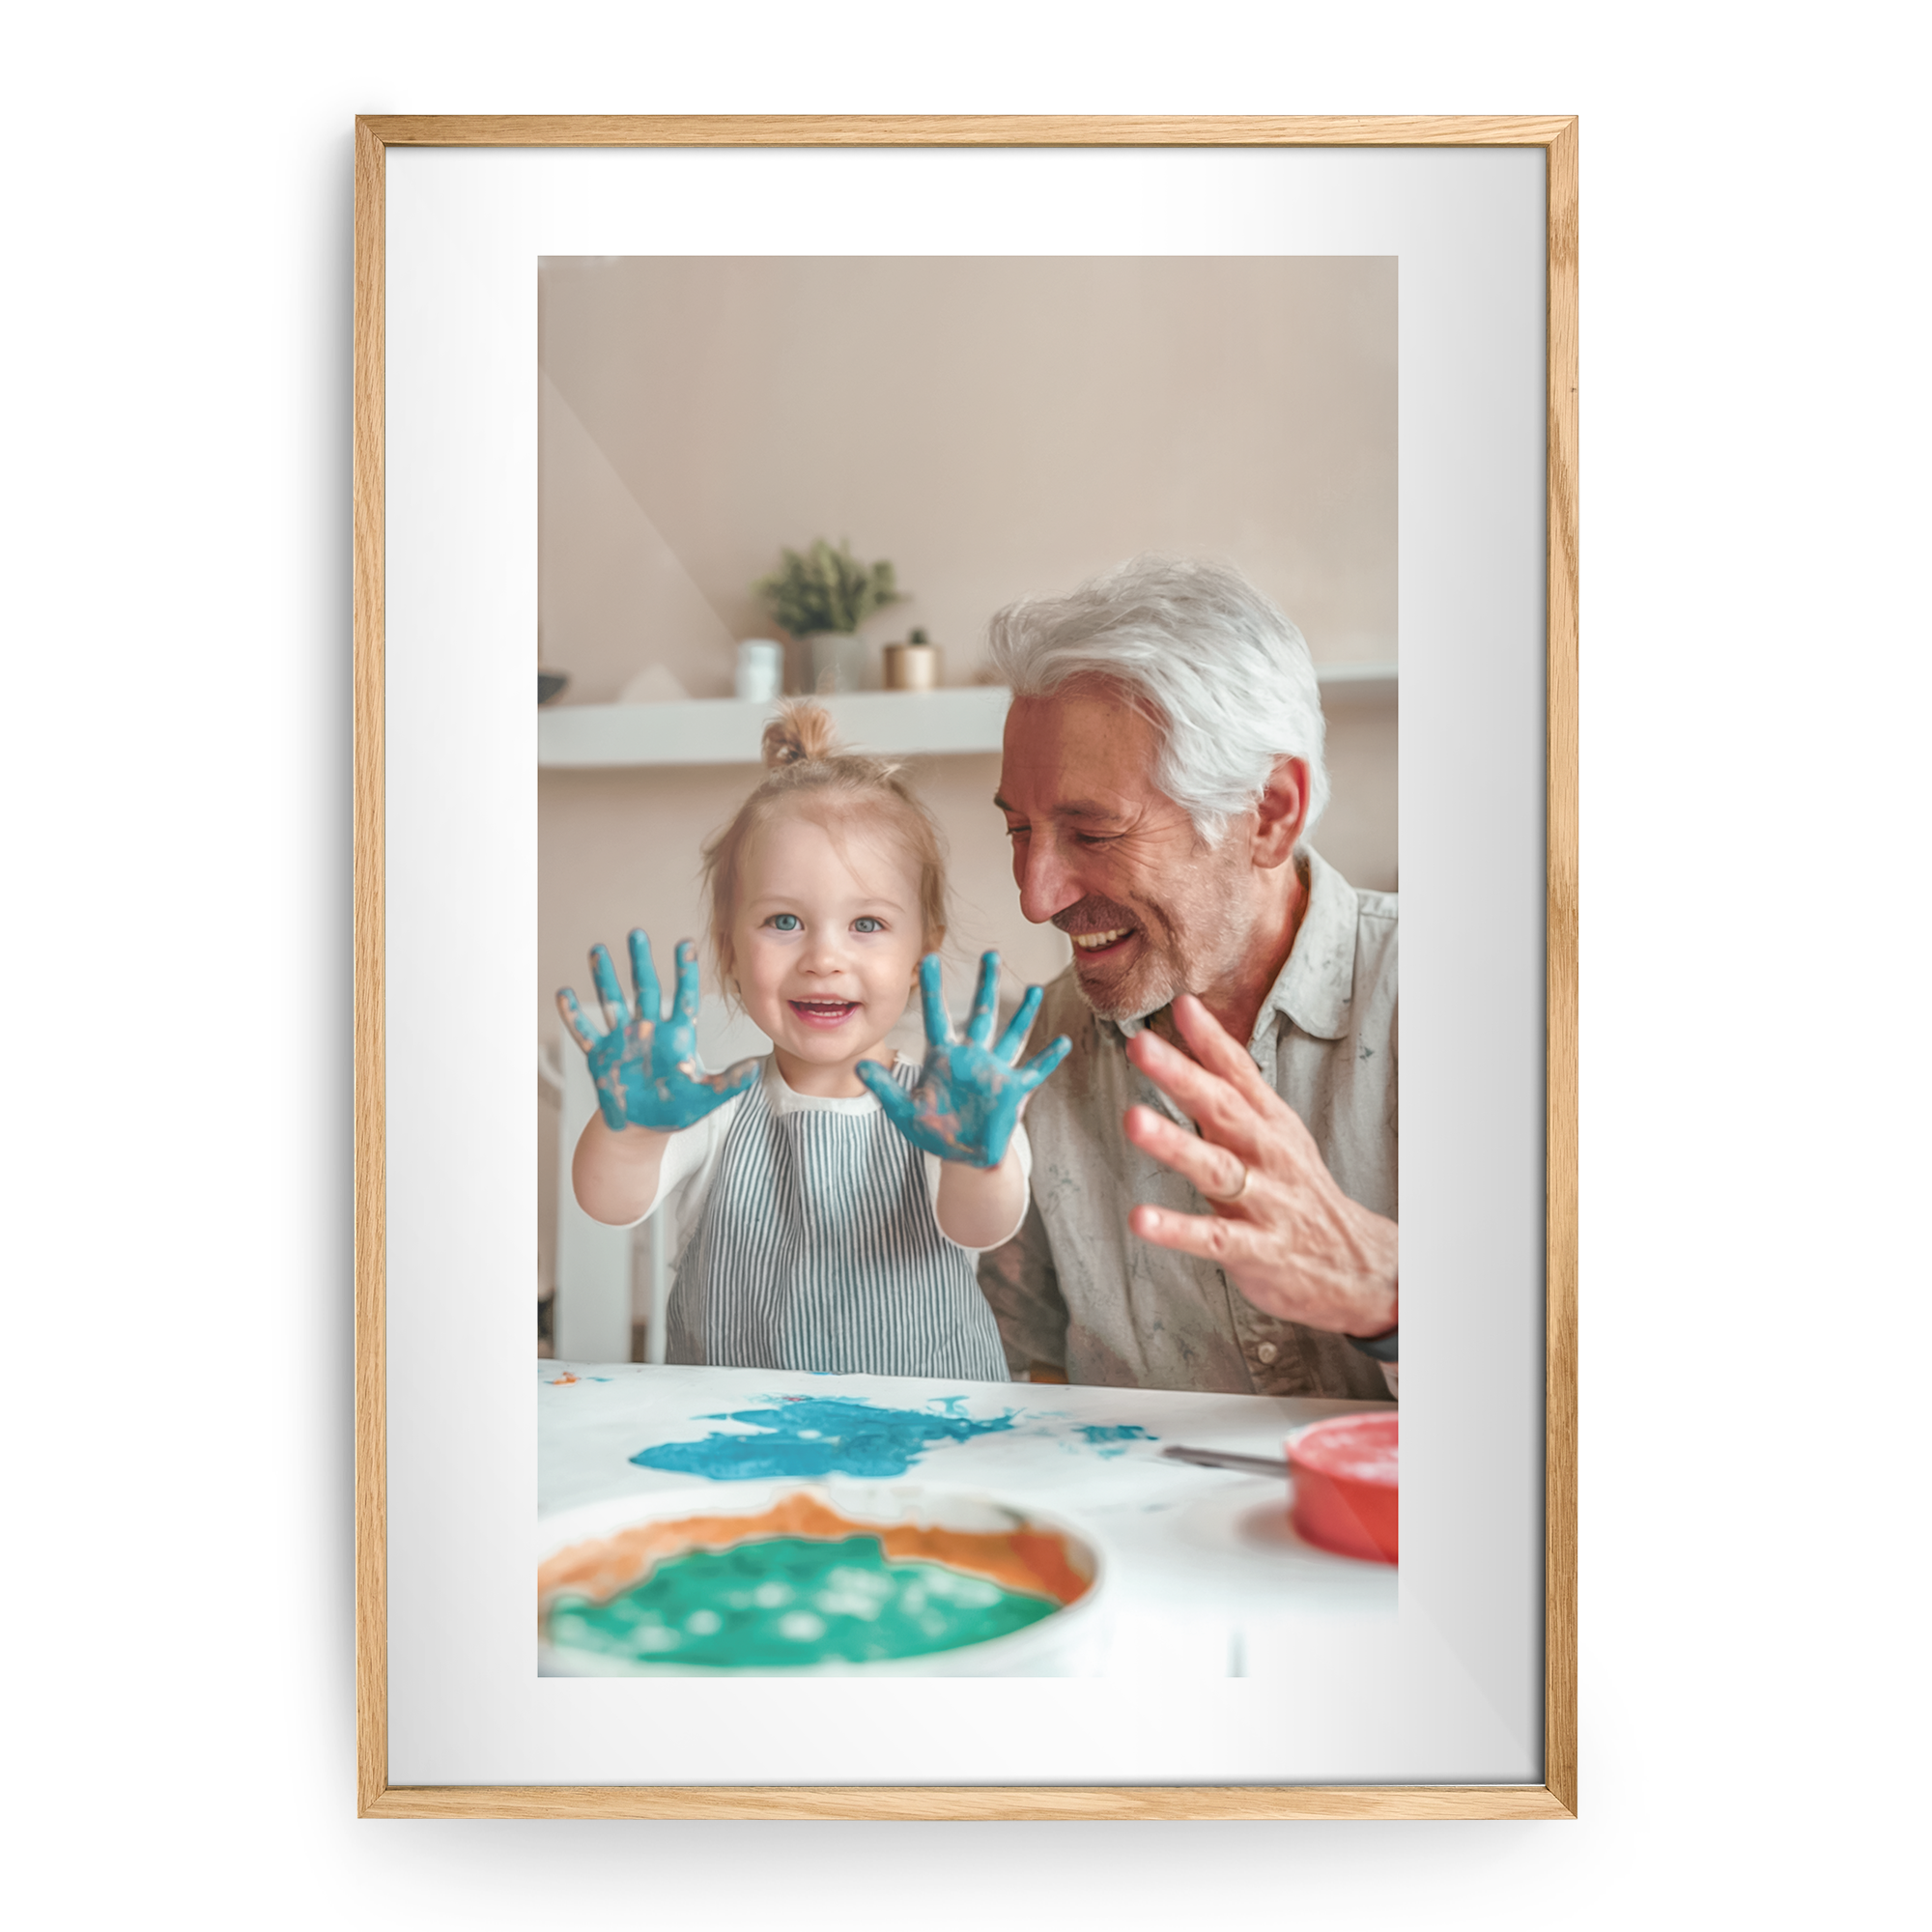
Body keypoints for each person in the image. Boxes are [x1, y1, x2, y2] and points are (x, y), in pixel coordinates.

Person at [977, 555, 1400, 1400]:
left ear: (1270, 813)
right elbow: (1024, 1380)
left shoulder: (1497, 1001)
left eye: (1091, 833)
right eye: (1019, 830)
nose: (1036, 896)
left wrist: (1390, 1294)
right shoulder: (1031, 1054)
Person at [557, 700, 1069, 1379]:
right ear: (728, 949)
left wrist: (981, 1158)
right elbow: (606, 1200)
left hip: (926, 1440)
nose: (824, 958)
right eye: (783, 921)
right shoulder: (711, 1110)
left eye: (866, 925)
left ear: (924, 949)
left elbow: (982, 1228)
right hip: (735, 1438)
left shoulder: (950, 1111)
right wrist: (632, 1133)